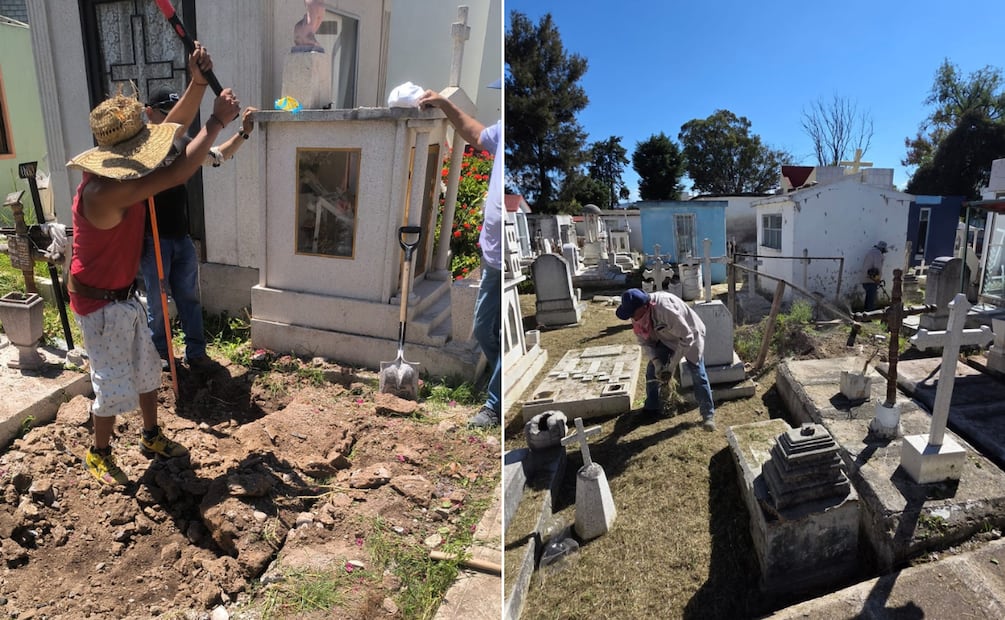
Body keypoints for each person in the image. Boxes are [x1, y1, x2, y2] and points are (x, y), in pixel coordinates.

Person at [66, 43, 241, 485]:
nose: (152, 147)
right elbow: (177, 170)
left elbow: (174, 128)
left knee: (147, 367)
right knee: (112, 384)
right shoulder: (106, 191)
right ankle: (100, 452)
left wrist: (198, 83)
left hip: (124, 295)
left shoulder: (121, 172)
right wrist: (217, 121)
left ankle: (150, 435)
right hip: (98, 305)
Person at [141, 85, 258, 372]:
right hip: (152, 238)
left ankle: (196, 353)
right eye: (166, 114)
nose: (174, 122)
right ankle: (161, 355)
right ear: (149, 113)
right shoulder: (139, 147)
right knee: (158, 301)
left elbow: (218, 155)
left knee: (189, 297)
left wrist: (243, 132)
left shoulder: (183, 145)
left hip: (180, 237)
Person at [418, 83, 502, 428]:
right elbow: (476, 133)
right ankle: (502, 380)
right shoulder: (502, 133)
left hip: (507, 259)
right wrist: (443, 104)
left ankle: (495, 403)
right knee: (483, 329)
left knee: (497, 331)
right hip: (493, 256)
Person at [615, 288, 717, 431]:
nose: (632, 317)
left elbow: (686, 337)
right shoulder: (638, 316)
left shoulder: (665, 308)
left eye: (633, 313)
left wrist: (672, 365)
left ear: (644, 306)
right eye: (630, 314)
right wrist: (657, 362)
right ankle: (651, 407)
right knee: (652, 371)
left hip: (690, 335)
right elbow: (644, 341)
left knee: (697, 372)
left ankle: (708, 415)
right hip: (665, 337)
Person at [862, 240, 887, 311]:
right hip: (871, 279)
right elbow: (877, 267)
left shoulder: (871, 252)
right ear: (882, 249)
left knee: (868, 297)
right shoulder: (878, 254)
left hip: (865, 278)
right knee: (871, 299)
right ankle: (870, 315)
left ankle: (866, 314)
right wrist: (877, 279)